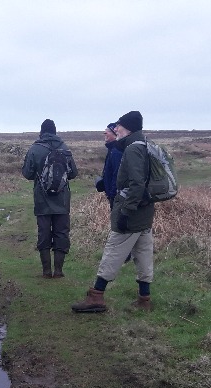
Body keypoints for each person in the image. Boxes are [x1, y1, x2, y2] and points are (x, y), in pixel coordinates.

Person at [71, 111, 154, 312]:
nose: (115, 129)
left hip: (131, 214)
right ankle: (145, 299)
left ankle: (96, 297)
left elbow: (136, 184)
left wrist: (125, 211)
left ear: (128, 128)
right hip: (145, 213)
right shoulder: (144, 145)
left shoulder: (133, 150)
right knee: (144, 255)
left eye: (119, 126)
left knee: (113, 252)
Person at [21, 119, 78, 278]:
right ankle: (58, 271)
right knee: (62, 233)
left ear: (41, 131)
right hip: (62, 200)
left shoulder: (35, 149)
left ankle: (46, 271)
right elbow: (73, 173)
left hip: (42, 200)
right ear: (55, 131)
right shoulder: (64, 147)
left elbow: (27, 174)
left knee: (44, 233)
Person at [100, 122, 123, 208]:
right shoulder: (112, 149)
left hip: (116, 197)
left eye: (108, 131)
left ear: (115, 134)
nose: (105, 133)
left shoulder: (116, 151)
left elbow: (117, 175)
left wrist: (112, 195)